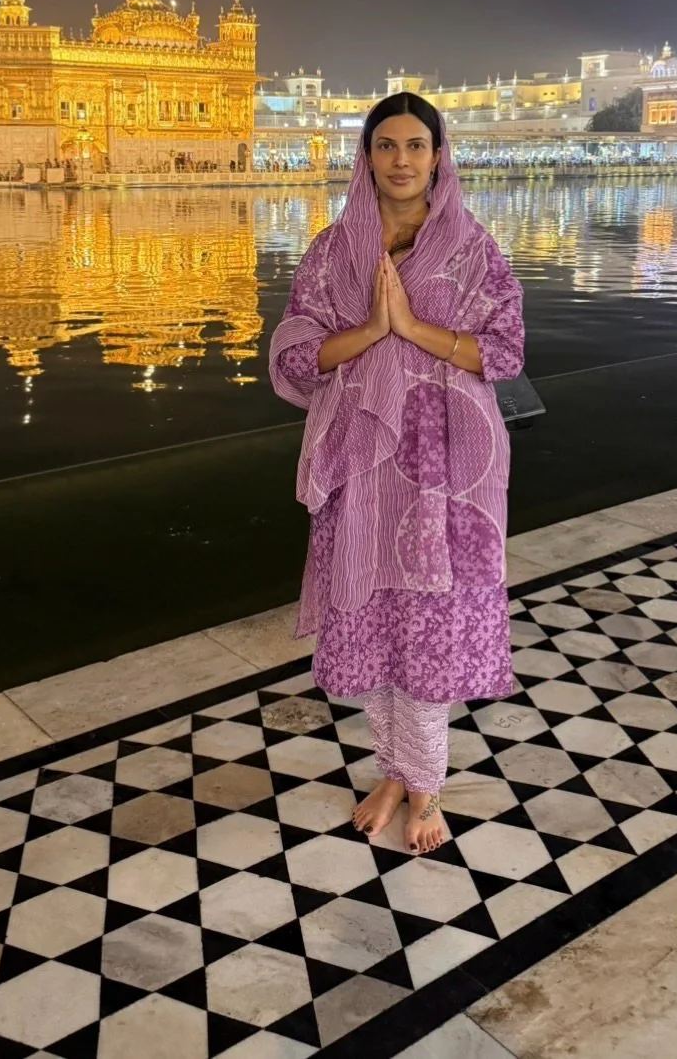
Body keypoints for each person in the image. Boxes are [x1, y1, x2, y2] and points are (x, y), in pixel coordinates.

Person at [270, 91, 525, 854]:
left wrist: (412, 328)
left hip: (445, 468)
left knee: (428, 627)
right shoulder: (334, 250)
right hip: (361, 462)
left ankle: (427, 787)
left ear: (439, 154)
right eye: (387, 145)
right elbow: (295, 352)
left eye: (417, 145)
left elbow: (505, 353)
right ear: (367, 155)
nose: (402, 160)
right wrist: (372, 330)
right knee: (373, 617)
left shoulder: (471, 248)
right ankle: (391, 771)